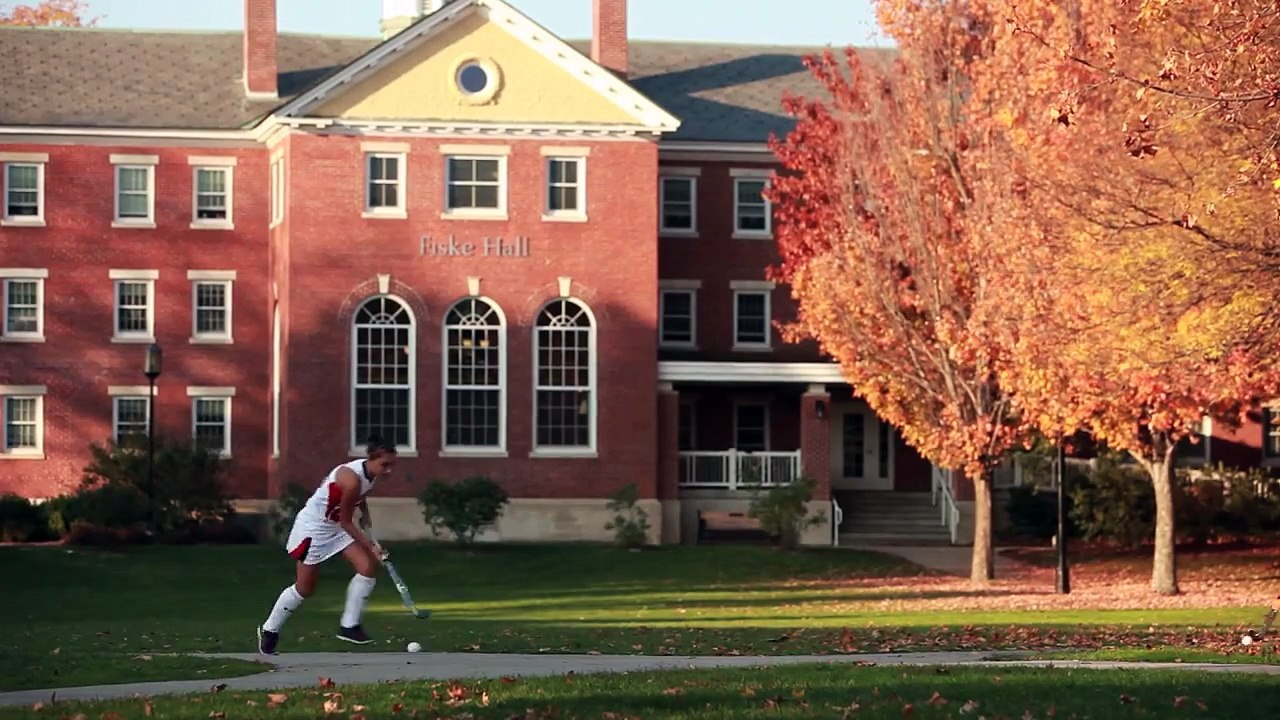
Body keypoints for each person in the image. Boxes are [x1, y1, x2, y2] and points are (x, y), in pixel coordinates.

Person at [256, 436, 397, 655]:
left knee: (367, 568)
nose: (388, 470)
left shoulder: (369, 474)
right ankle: (269, 630)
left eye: (391, 465)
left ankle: (349, 625)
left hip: (335, 527)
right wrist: (371, 546)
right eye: (384, 465)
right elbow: (346, 521)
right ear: (370, 458)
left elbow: (358, 500)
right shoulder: (350, 478)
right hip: (314, 530)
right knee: (305, 589)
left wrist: (366, 517)